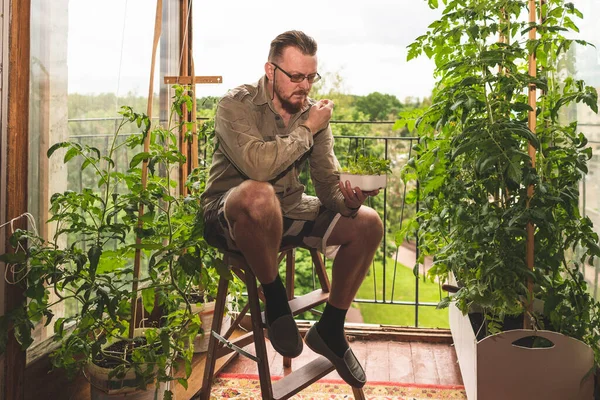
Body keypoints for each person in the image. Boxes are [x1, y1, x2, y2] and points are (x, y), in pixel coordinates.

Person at [200, 30, 383, 389]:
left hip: (288, 210)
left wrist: (349, 199)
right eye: (296, 76)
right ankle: (275, 298)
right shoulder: (234, 105)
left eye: (311, 76)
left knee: (368, 224)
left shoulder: (312, 114)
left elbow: (327, 186)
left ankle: (330, 328)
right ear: (271, 71)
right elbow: (258, 168)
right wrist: (309, 129)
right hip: (230, 216)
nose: (305, 86)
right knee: (258, 194)